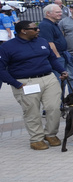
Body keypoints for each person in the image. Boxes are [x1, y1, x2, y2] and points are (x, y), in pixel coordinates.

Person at [0, 20, 68, 150]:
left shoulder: (42, 41)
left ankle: (50, 134)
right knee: (32, 112)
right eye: (34, 29)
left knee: (54, 108)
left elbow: (52, 58)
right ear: (23, 31)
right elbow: (1, 69)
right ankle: (36, 139)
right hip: (25, 82)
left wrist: (62, 70)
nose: (38, 30)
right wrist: (16, 84)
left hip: (48, 79)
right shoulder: (7, 47)